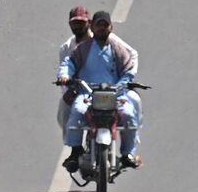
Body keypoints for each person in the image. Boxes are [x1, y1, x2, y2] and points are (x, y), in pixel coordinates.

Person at [59, 10, 141, 171]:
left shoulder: (117, 47)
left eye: (105, 25)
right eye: (99, 25)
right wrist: (64, 75)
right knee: (76, 111)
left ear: (111, 27)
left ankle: (127, 154)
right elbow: (69, 63)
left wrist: (123, 83)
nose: (102, 28)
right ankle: (75, 151)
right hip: (87, 93)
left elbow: (128, 69)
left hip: (115, 93)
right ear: (93, 27)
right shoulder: (82, 48)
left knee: (130, 116)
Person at [56, 6, 91, 130]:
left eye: (81, 23)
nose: (77, 27)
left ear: (89, 23)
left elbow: (129, 56)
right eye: (74, 23)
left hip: (104, 89)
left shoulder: (102, 40)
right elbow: (64, 69)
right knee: (64, 115)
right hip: (80, 90)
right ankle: (73, 146)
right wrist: (67, 88)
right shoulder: (66, 48)